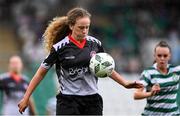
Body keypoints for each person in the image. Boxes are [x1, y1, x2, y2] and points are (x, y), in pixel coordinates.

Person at [18, 7, 143, 115]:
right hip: (68, 101)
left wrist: (125, 83)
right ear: (71, 26)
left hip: (92, 101)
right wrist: (26, 97)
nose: (84, 31)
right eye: (80, 27)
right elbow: (40, 73)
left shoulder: (95, 44)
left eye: (87, 27)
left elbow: (107, 68)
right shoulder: (59, 48)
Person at [134, 41, 180, 115]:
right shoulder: (148, 73)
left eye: (165, 56)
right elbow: (136, 95)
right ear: (154, 56)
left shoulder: (176, 70)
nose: (162, 58)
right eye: (159, 55)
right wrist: (151, 93)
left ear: (169, 56)